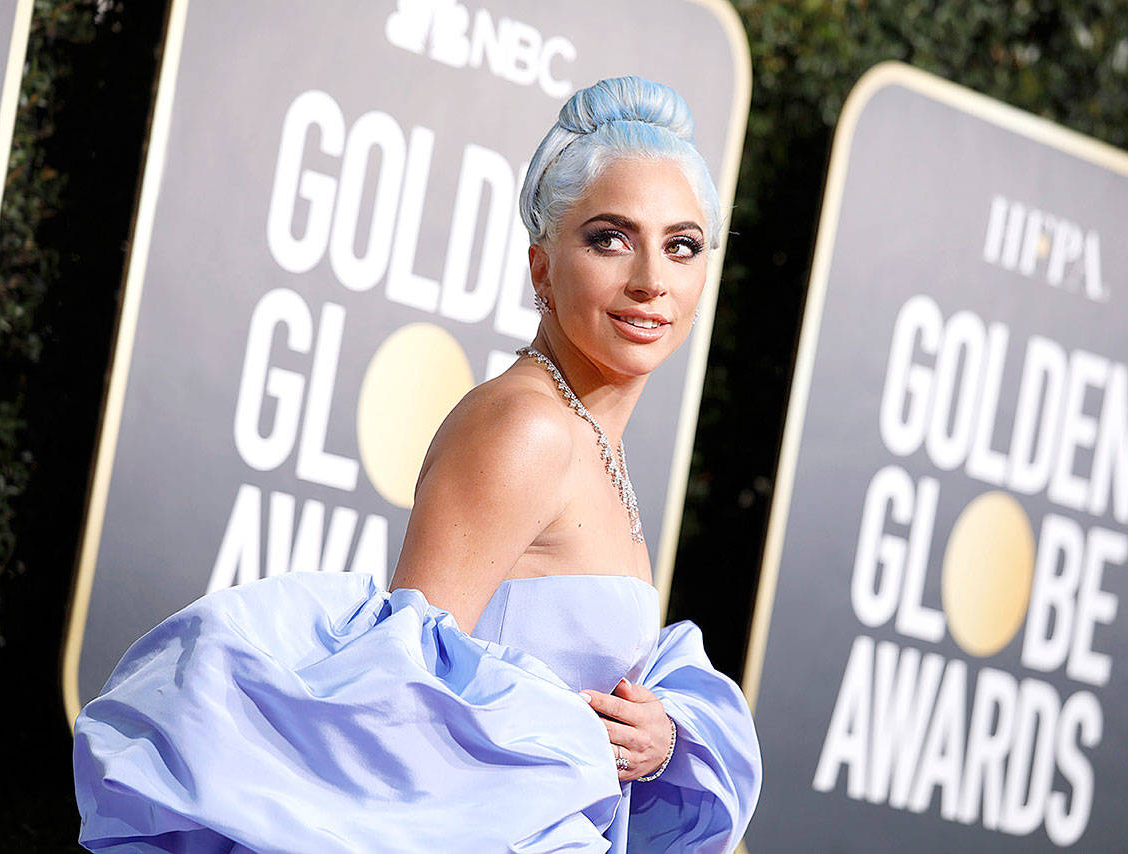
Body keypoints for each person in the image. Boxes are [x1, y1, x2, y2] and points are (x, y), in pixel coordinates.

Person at [73, 76, 762, 853]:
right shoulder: (527, 427)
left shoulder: (591, 438)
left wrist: (660, 735)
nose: (651, 280)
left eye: (681, 244)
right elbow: (399, 709)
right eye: (609, 237)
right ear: (541, 269)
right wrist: (571, 734)